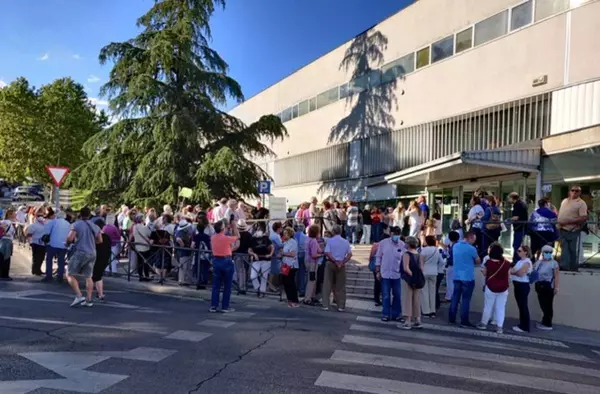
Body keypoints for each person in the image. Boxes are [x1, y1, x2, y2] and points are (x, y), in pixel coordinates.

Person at [65, 207, 102, 307]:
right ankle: (88, 299)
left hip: (81, 251)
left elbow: (70, 237)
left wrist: (67, 244)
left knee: (69, 273)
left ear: (80, 214)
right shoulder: (95, 226)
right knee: (88, 276)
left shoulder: (76, 224)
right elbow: (100, 240)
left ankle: (79, 295)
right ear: (90, 215)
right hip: (92, 252)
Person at [448, 231, 481, 328]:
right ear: (470, 238)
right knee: (466, 299)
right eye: (473, 240)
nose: (474, 242)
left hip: (456, 275)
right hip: (467, 277)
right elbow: (478, 260)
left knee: (455, 297)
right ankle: (464, 320)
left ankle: (452, 318)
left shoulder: (455, 246)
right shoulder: (472, 248)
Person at [476, 243, 510, 333]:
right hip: (503, 288)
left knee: (488, 306)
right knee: (501, 308)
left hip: (490, 287)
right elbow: (508, 274)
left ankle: (483, 324)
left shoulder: (488, 263)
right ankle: (499, 327)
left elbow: (485, 273)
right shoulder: (506, 263)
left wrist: (483, 271)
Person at [375, 227, 404, 321]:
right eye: (394, 234)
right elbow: (378, 257)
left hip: (396, 274)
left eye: (398, 234)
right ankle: (385, 314)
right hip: (385, 273)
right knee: (386, 295)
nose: (396, 236)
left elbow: (404, 258)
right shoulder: (383, 243)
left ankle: (396, 314)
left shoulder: (402, 244)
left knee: (397, 295)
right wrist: (377, 271)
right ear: (391, 234)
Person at [209, 220, 239, 312]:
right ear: (223, 228)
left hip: (216, 260)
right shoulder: (226, 238)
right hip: (226, 261)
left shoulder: (213, 238)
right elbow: (238, 237)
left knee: (216, 285)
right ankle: (225, 306)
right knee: (227, 285)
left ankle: (214, 305)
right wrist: (234, 226)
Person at [557, 185, 588, 271]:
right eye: (572, 190)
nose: (574, 192)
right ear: (569, 191)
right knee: (564, 249)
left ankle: (573, 267)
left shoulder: (581, 203)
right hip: (562, 229)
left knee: (573, 249)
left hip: (573, 230)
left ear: (580, 192)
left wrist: (567, 221)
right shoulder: (564, 201)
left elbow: (583, 217)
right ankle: (564, 266)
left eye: (576, 191)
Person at [322, 225, 352, 311]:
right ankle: (341, 305)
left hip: (331, 263)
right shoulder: (345, 242)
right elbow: (349, 254)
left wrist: (335, 260)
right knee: (341, 285)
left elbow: (327, 252)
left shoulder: (330, 241)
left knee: (327, 284)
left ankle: (325, 304)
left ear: (333, 232)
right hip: (341, 264)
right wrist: (342, 262)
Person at [533, 245, 560, 330]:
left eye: (549, 252)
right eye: (546, 252)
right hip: (539, 285)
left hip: (548, 286)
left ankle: (548, 323)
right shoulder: (538, 263)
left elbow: (556, 276)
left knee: (548, 305)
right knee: (542, 304)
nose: (547, 254)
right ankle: (544, 321)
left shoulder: (554, 263)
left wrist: (556, 287)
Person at [400, 236, 424, 329]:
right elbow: (422, 268)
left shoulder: (406, 254)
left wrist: (412, 276)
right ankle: (418, 320)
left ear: (409, 244)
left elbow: (406, 268)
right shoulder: (420, 255)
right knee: (416, 300)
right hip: (418, 280)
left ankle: (407, 321)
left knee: (407, 299)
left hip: (408, 280)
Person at [42, 211, 71, 283]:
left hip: (52, 244)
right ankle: (60, 277)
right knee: (61, 261)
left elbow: (46, 232)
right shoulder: (68, 224)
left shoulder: (52, 222)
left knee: (49, 259)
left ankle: (49, 276)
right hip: (63, 245)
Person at [510, 245, 533, 333]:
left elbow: (520, 273)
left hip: (522, 285)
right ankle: (522, 324)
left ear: (525, 252)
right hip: (517, 284)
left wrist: (513, 272)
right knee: (520, 305)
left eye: (520, 251)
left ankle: (525, 326)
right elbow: (513, 271)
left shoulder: (527, 262)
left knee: (523, 306)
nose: (518, 252)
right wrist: (514, 272)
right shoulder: (520, 261)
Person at [420, 235, 443, 318]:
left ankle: (426, 310)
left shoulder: (424, 250)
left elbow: (421, 262)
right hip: (434, 272)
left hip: (425, 272)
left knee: (424, 291)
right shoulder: (436, 250)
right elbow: (441, 262)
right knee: (432, 292)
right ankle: (433, 310)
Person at [248, 223, 273, 297]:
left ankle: (262, 292)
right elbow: (249, 250)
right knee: (253, 276)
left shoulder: (266, 238)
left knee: (264, 277)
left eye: (260, 228)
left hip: (266, 259)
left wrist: (270, 254)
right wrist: (253, 254)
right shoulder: (253, 239)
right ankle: (258, 288)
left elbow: (272, 247)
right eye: (257, 228)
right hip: (257, 260)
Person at [91, 219, 112, 302]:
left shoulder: (96, 236)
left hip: (96, 258)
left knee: (96, 277)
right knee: (97, 276)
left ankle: (99, 295)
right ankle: (98, 294)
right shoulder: (107, 237)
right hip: (105, 258)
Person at [303, 224, 323, 305]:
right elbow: (314, 254)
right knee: (311, 280)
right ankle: (307, 298)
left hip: (307, 260)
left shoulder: (308, 239)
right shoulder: (313, 241)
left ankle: (312, 296)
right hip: (312, 262)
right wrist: (322, 255)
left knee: (312, 279)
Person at [130, 214, 153, 282]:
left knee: (139, 262)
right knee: (146, 262)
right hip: (145, 247)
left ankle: (140, 276)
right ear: (142, 220)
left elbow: (133, 235)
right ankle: (146, 276)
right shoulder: (145, 228)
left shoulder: (134, 227)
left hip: (137, 246)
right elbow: (150, 234)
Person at [281, 227, 300, 307]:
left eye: (285, 233)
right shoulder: (286, 242)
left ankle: (294, 299)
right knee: (285, 282)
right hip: (285, 264)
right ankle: (289, 299)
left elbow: (293, 254)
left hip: (291, 265)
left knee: (290, 282)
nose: (284, 235)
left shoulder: (293, 242)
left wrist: (284, 253)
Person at [509, 192, 529, 264]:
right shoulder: (522, 204)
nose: (509, 199)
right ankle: (517, 260)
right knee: (517, 244)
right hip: (522, 227)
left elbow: (516, 217)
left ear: (513, 198)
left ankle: (516, 261)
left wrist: (508, 220)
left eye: (509, 198)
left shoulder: (517, 205)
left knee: (516, 245)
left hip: (519, 227)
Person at [191, 217, 211, 289]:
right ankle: (204, 283)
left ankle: (198, 282)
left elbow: (192, 245)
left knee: (198, 269)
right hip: (206, 254)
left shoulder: (196, 236)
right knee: (205, 269)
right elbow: (210, 245)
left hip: (198, 254)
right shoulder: (208, 237)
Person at [233, 219, 252, 294]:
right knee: (244, 271)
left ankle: (241, 287)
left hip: (237, 254)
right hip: (246, 254)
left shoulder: (236, 234)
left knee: (239, 271)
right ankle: (243, 286)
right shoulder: (249, 235)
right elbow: (250, 246)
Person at [26, 210, 46, 276]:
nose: (41, 217)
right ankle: (35, 270)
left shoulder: (45, 224)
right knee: (36, 257)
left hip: (43, 243)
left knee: (41, 257)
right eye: (39, 216)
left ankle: (38, 269)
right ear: (36, 217)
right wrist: (30, 242)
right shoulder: (33, 225)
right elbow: (29, 234)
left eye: (42, 216)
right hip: (36, 243)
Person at [442, 231, 460, 303]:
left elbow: (451, 257)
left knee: (449, 282)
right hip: (457, 265)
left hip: (452, 265)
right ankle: (453, 296)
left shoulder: (453, 246)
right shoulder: (457, 245)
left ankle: (449, 297)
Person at [269, 222, 284, 292]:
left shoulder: (274, 235)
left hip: (276, 254)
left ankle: (272, 285)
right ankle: (271, 285)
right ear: (278, 228)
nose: (282, 229)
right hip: (276, 255)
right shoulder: (275, 236)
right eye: (281, 227)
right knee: (273, 271)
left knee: (275, 271)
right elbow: (280, 245)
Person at [294, 224, 308, 297]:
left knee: (295, 272)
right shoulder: (305, 237)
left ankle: (295, 287)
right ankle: (301, 289)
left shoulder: (293, 236)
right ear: (303, 229)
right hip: (302, 254)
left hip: (294, 255)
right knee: (302, 272)